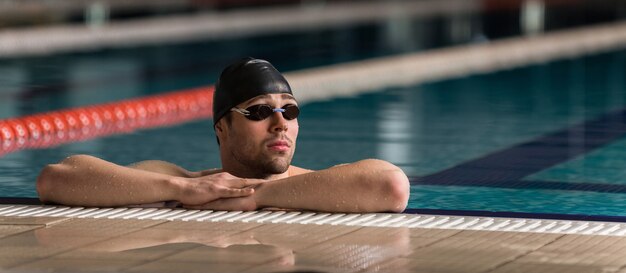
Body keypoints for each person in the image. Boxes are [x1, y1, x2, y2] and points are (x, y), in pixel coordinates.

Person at [37, 58, 410, 213]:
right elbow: (56, 178)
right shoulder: (181, 181)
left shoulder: (316, 185)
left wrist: (256, 195)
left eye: (289, 111)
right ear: (221, 127)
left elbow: (392, 185)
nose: (280, 124)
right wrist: (181, 189)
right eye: (261, 111)